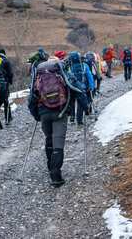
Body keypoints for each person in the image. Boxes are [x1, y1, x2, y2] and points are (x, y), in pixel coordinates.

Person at [28, 57, 89, 187]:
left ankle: (50, 166)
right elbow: (79, 91)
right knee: (58, 142)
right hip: (61, 111)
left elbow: (31, 99)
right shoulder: (65, 73)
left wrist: (36, 115)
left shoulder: (39, 76)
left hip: (44, 112)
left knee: (49, 139)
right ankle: (56, 176)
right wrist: (86, 108)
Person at [68, 52, 93, 125]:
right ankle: (79, 120)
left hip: (71, 87)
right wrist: (91, 87)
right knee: (80, 104)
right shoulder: (84, 66)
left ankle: (72, 116)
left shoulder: (69, 67)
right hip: (82, 87)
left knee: (72, 102)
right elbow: (90, 76)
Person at [0, 48, 14, 125]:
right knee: (6, 100)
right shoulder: (6, 61)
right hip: (4, 83)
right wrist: (10, 82)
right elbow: (10, 74)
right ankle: (7, 118)